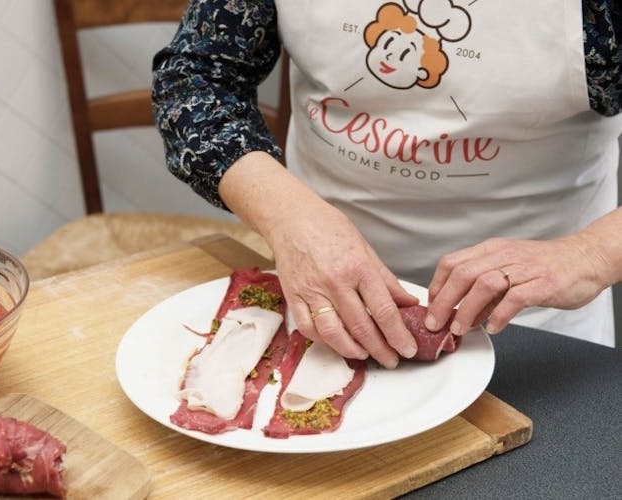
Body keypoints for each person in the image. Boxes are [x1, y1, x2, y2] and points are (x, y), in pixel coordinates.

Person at [152, 0, 622, 368]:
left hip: (532, 329)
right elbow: (197, 79)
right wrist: (291, 220)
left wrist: (591, 254)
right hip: (320, 306)